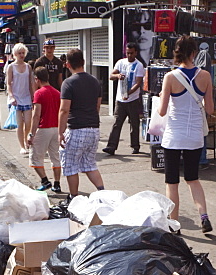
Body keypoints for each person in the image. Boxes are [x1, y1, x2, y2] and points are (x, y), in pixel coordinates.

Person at [157, 35, 213, 233]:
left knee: (172, 182)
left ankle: (174, 225)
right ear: (194, 53)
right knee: (193, 179)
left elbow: (162, 111)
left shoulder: (170, 77)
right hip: (195, 136)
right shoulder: (205, 76)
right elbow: (211, 109)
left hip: (174, 136)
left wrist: (163, 97)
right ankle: (204, 216)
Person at [58, 48, 105, 198]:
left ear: (67, 64)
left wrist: (60, 132)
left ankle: (74, 198)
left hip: (76, 128)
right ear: (83, 62)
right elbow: (97, 106)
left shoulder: (68, 83)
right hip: (94, 129)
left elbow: (64, 110)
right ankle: (103, 193)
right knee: (89, 164)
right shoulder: (95, 81)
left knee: (71, 166)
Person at [103, 43, 145, 155]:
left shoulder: (139, 65)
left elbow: (138, 83)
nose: (129, 55)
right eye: (128, 53)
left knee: (134, 123)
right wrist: (118, 76)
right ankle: (111, 146)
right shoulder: (121, 62)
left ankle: (135, 146)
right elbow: (111, 75)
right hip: (120, 100)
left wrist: (128, 92)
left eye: (131, 53)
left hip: (133, 99)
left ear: (136, 53)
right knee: (117, 123)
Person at [28, 66, 62, 194]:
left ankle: (45, 181)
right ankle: (57, 184)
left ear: (37, 79)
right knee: (55, 157)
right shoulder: (57, 93)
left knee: (35, 157)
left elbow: (36, 115)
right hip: (56, 128)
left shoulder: (39, 93)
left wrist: (31, 134)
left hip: (43, 129)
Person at [6, 42, 36, 154]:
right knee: (19, 124)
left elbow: (31, 82)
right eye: (19, 53)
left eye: (23, 53)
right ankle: (22, 146)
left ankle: (26, 140)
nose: (22, 55)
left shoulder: (28, 66)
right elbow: (8, 83)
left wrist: (34, 97)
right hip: (16, 99)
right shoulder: (11, 67)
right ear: (15, 54)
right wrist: (11, 96)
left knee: (28, 123)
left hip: (27, 97)